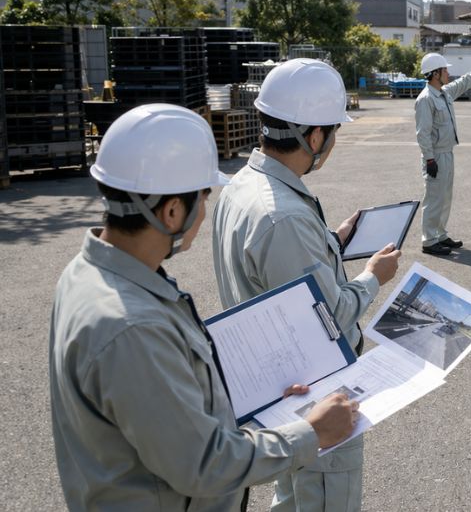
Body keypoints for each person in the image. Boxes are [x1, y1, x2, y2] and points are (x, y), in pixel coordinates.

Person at [49, 104, 358, 511]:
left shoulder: (87, 275)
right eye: (202, 196)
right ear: (172, 210)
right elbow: (204, 464)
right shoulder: (132, 326)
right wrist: (311, 433)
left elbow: (160, 410)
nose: (206, 210)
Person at [212, 58, 402, 512]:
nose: (332, 142)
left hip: (278, 388)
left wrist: (331, 242)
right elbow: (329, 317)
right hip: (313, 394)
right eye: (333, 131)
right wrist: (373, 277)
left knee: (292, 497)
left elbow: (276, 272)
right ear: (313, 136)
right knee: (318, 498)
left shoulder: (243, 185)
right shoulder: (285, 217)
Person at [414, 53, 471, 255]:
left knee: (445, 197)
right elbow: (422, 133)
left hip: (447, 153)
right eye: (445, 70)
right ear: (435, 74)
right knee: (434, 198)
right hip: (435, 156)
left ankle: (440, 234)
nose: (448, 73)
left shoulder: (444, 93)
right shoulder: (425, 99)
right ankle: (429, 240)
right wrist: (429, 159)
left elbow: (464, 81)